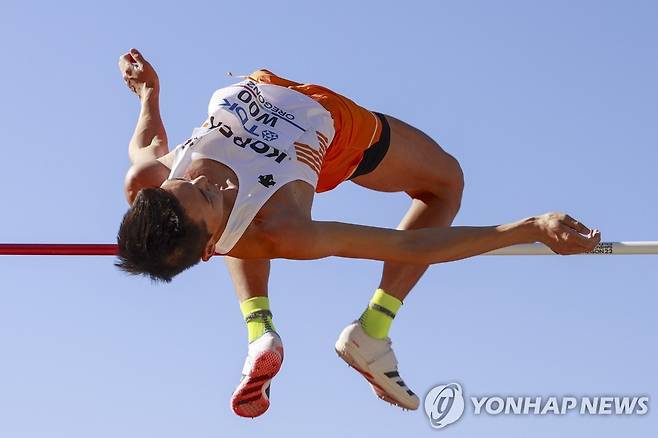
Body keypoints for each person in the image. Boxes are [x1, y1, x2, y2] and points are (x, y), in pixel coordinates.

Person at [115, 48, 601, 417]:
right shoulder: (284, 230)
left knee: (236, 220)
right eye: (204, 197)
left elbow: (150, 143)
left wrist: (149, 95)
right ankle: (372, 330)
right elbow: (411, 245)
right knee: (445, 183)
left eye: (185, 182)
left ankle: (261, 332)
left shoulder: (152, 180)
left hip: (269, 86)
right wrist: (528, 229)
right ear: (209, 245)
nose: (202, 180)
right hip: (340, 132)